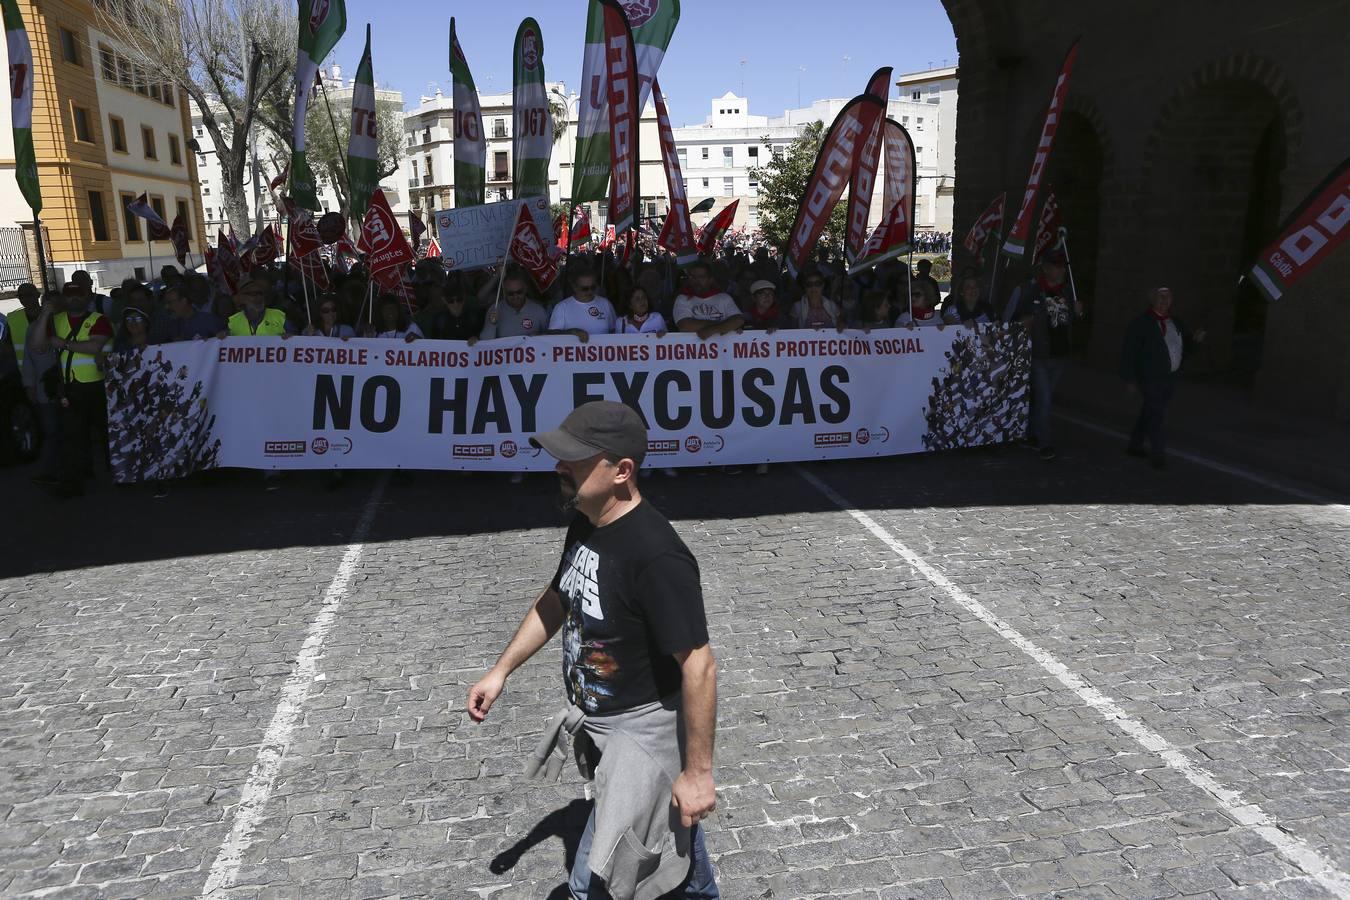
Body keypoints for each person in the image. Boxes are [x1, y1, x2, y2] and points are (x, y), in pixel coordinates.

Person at [467, 401, 720, 900]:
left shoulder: (657, 555)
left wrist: (697, 775)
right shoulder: (588, 520)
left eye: (575, 460)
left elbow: (700, 665)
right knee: (676, 858)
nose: (559, 467)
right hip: (604, 726)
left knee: (594, 885)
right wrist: (501, 671)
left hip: (641, 741)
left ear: (621, 471)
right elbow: (559, 597)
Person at [30, 284, 112, 497]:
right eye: (70, 295)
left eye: (79, 295)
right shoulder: (55, 321)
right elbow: (38, 346)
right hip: (70, 389)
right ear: (64, 299)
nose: (74, 299)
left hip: (98, 387)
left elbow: (95, 347)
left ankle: (118, 474)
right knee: (73, 437)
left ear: (87, 296)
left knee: (107, 434)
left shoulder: (98, 319)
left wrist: (63, 344)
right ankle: (75, 482)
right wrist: (44, 315)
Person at [1119, 287, 1206, 469]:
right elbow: (1129, 352)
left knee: (1150, 411)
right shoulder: (1141, 324)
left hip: (1170, 377)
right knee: (1157, 415)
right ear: (1152, 300)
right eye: (1160, 297)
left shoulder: (1176, 322)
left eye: (1168, 297)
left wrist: (1196, 341)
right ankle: (1159, 455)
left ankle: (1135, 444)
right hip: (1150, 377)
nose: (1164, 300)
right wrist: (1129, 379)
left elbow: (1186, 349)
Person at [1009, 248, 1082, 460]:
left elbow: (1070, 322)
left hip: (1060, 354)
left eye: (1062, 267)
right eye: (1056, 267)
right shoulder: (1031, 291)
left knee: (1042, 398)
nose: (1060, 271)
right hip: (1039, 353)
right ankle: (1045, 442)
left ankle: (1030, 433)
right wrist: (1023, 323)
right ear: (1046, 268)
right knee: (1045, 399)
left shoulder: (1067, 292)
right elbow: (1014, 318)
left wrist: (1078, 313)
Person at [673, 259, 743, 341]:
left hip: (723, 349)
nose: (696, 281)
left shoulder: (724, 298)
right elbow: (685, 325)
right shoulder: (682, 298)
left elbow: (738, 320)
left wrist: (711, 330)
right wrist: (725, 326)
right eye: (692, 277)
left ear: (710, 280)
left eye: (701, 277)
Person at [549, 269, 616, 342]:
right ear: (574, 287)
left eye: (593, 287)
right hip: (574, 352)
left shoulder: (605, 304)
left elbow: (614, 331)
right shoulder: (562, 307)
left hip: (602, 352)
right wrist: (572, 332)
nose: (590, 291)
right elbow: (552, 334)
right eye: (585, 289)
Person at [479, 272, 549, 340]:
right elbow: (485, 342)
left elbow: (551, 338)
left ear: (525, 290)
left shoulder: (538, 310)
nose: (515, 296)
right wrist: (492, 324)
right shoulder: (495, 309)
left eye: (519, 292)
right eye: (510, 293)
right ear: (505, 292)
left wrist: (539, 336)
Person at [222, 274, 290, 337]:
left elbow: (296, 338)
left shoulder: (278, 316)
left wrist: (289, 337)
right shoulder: (233, 322)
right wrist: (221, 338)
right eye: (253, 294)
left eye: (260, 293)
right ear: (242, 299)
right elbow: (223, 342)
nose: (258, 298)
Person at [154, 285, 225, 343]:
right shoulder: (172, 325)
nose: (167, 307)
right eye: (166, 303)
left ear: (184, 301)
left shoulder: (209, 320)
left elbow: (225, 343)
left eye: (170, 302)